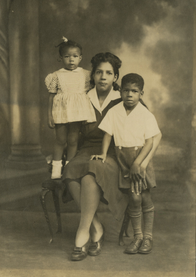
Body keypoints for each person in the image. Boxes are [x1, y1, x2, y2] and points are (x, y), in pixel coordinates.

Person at [62, 52, 129, 261]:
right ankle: (96, 226)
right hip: (87, 149)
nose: (103, 77)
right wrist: (67, 161)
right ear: (93, 76)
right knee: (71, 171)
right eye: (99, 72)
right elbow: (73, 135)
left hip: (114, 152)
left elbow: (141, 127)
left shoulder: (124, 99)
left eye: (109, 73)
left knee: (91, 173)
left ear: (115, 77)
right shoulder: (83, 98)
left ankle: (81, 234)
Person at [94, 73, 162, 254]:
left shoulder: (145, 114)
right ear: (120, 92)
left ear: (141, 93)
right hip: (123, 159)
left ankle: (147, 238)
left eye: (134, 91)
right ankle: (137, 237)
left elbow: (150, 142)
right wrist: (102, 153)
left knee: (144, 197)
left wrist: (138, 163)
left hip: (139, 158)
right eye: (126, 91)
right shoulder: (114, 111)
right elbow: (108, 134)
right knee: (134, 198)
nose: (130, 95)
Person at [45, 37, 96, 179]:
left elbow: (91, 92)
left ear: (80, 57)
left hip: (77, 112)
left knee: (73, 140)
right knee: (60, 140)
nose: (71, 60)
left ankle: (69, 168)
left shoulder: (85, 74)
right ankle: (56, 170)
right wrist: (49, 115)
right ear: (61, 58)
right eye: (67, 57)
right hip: (61, 111)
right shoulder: (56, 76)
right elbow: (51, 96)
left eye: (75, 56)